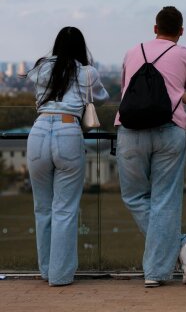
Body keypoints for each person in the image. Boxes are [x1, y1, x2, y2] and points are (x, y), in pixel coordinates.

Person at [114, 6, 186, 288]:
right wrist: (179, 94)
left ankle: (173, 250)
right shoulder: (185, 55)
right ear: (181, 31)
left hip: (130, 131)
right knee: (165, 199)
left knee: (133, 196)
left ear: (154, 28)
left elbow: (125, 91)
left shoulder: (132, 52)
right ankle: (159, 268)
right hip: (169, 130)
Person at [25, 26, 109, 286]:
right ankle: (60, 275)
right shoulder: (87, 72)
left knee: (42, 208)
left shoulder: (41, 68)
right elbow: (102, 98)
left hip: (38, 131)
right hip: (68, 130)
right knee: (65, 209)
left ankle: (46, 270)